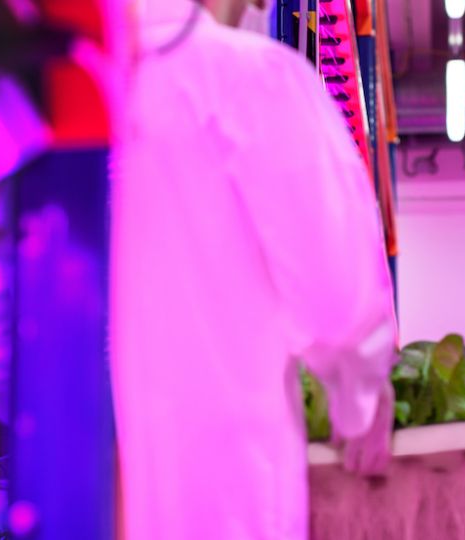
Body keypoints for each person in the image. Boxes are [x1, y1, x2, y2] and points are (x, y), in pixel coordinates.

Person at [111, 0, 399, 539]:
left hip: (64, 497)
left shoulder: (54, 93)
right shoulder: (252, 77)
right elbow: (337, 300)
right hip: (221, 491)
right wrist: (360, 404)